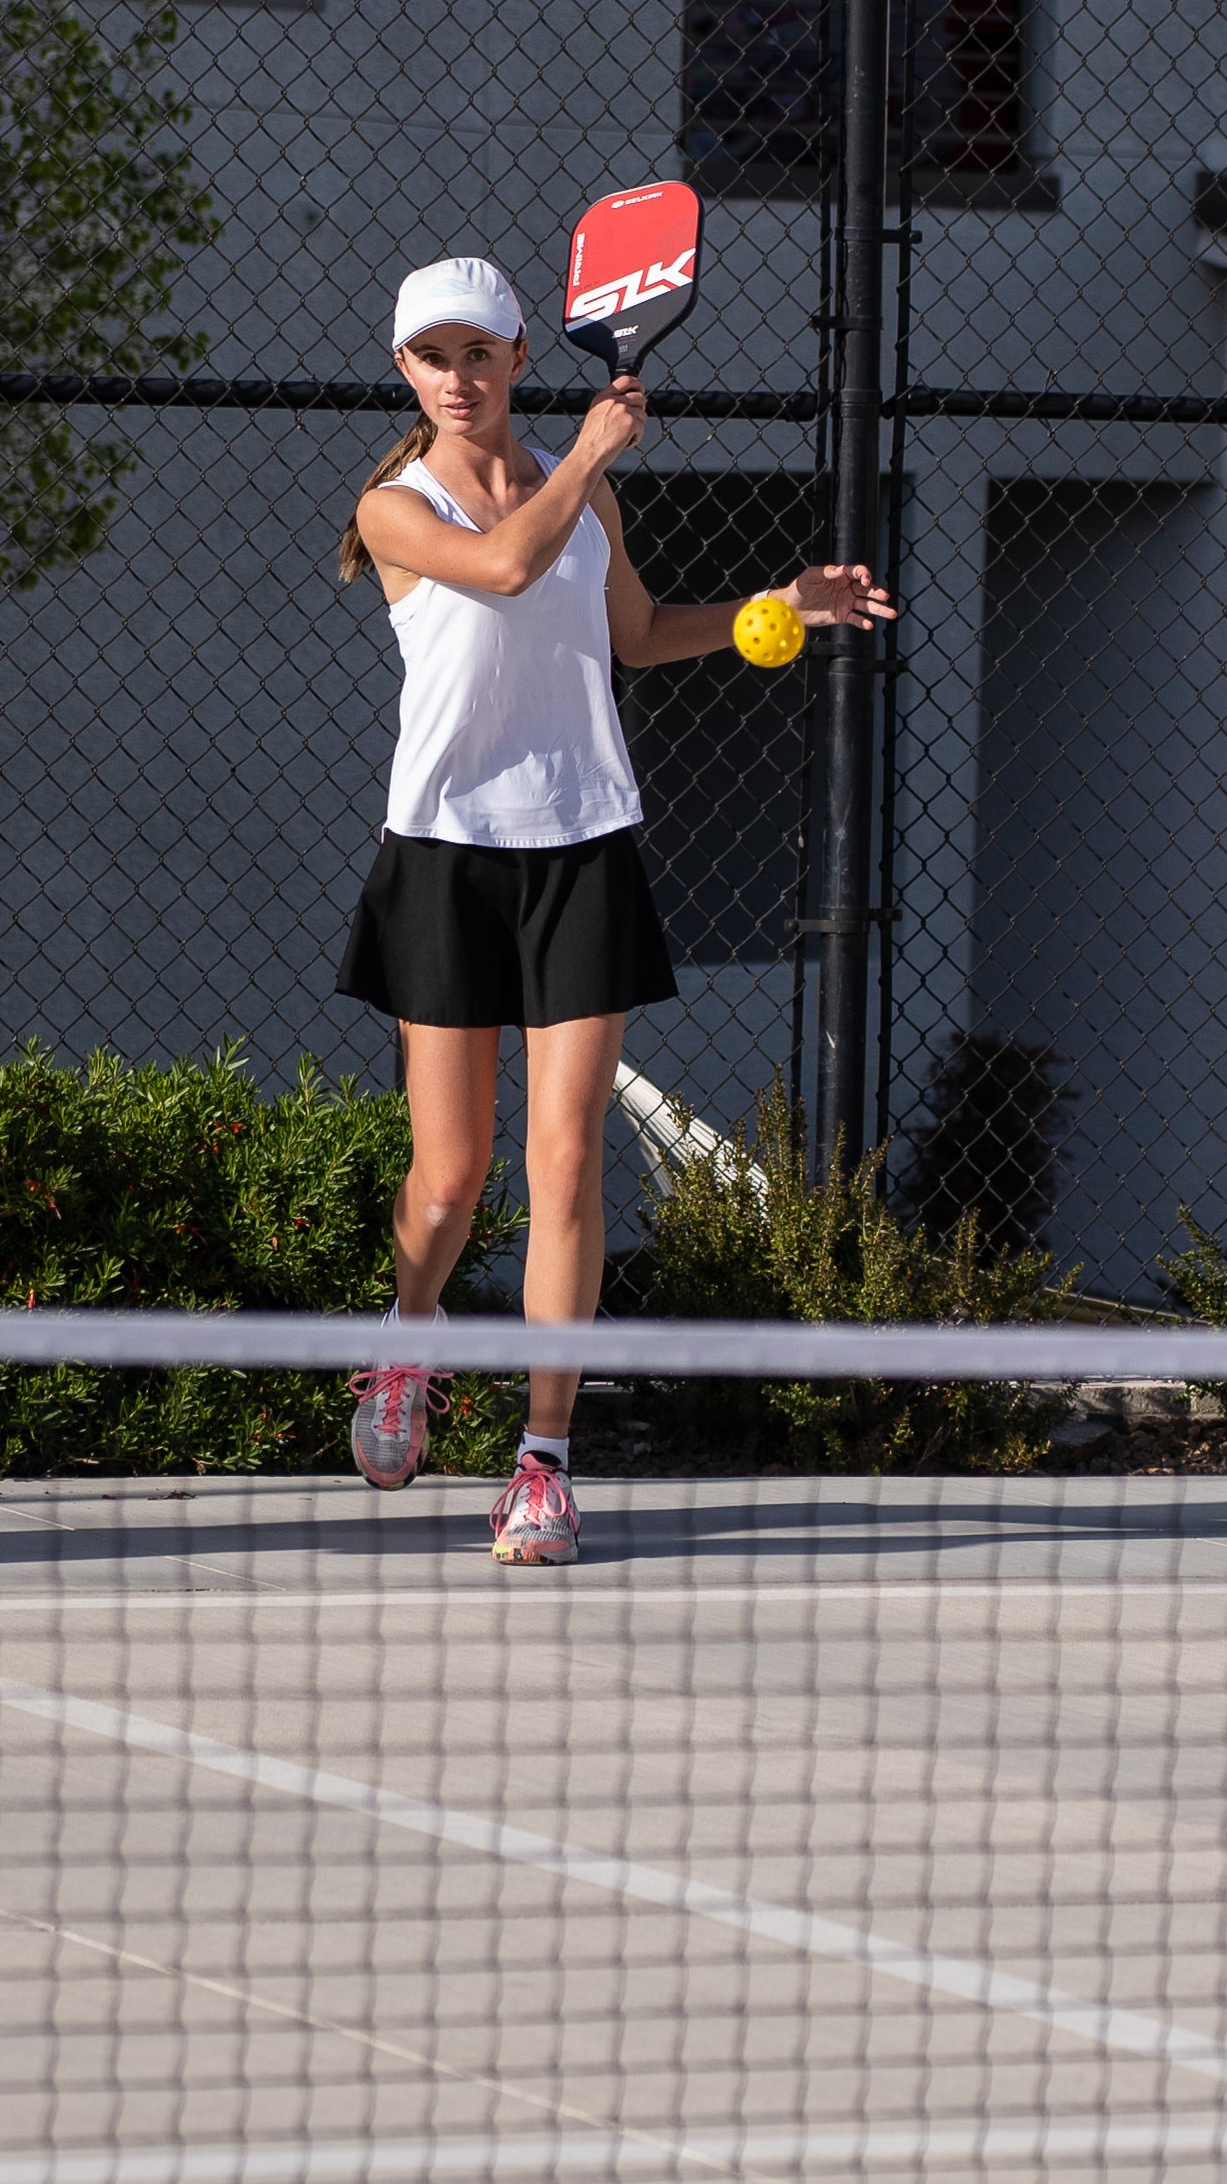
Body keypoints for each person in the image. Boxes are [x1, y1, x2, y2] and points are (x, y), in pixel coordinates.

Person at [333, 253, 897, 1565]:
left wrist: (777, 608)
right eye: (434, 356)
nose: (459, 376)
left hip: (585, 845)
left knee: (569, 1161)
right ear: (407, 372)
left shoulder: (585, 503)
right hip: (444, 858)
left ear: (519, 357)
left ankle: (542, 1465)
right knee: (448, 1178)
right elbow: (508, 567)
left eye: (480, 352)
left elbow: (632, 633)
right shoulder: (392, 505)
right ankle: (402, 1348)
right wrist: (587, 452)